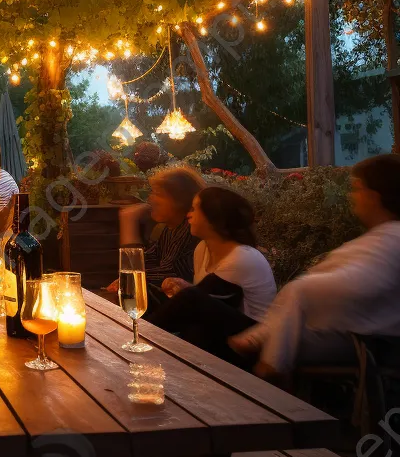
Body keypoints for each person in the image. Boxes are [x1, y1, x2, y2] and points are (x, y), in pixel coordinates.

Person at [229, 154, 400, 382]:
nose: (352, 196)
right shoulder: (380, 238)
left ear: (375, 195)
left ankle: (271, 380)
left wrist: (299, 290)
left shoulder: (392, 239)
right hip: (352, 333)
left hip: (372, 342)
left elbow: (358, 284)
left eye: (357, 189)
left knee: (260, 343)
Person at [148, 186, 276, 361]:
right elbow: (210, 300)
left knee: (191, 304)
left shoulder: (241, 257)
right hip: (222, 331)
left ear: (213, 218)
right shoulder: (202, 249)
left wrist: (187, 291)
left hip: (252, 341)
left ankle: (143, 334)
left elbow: (198, 300)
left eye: (194, 209)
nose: (188, 215)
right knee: (189, 321)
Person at [105, 166, 205, 310]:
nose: (150, 199)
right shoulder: (169, 230)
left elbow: (168, 272)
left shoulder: (190, 231)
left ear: (179, 200)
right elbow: (145, 262)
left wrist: (129, 222)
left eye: (158, 194)